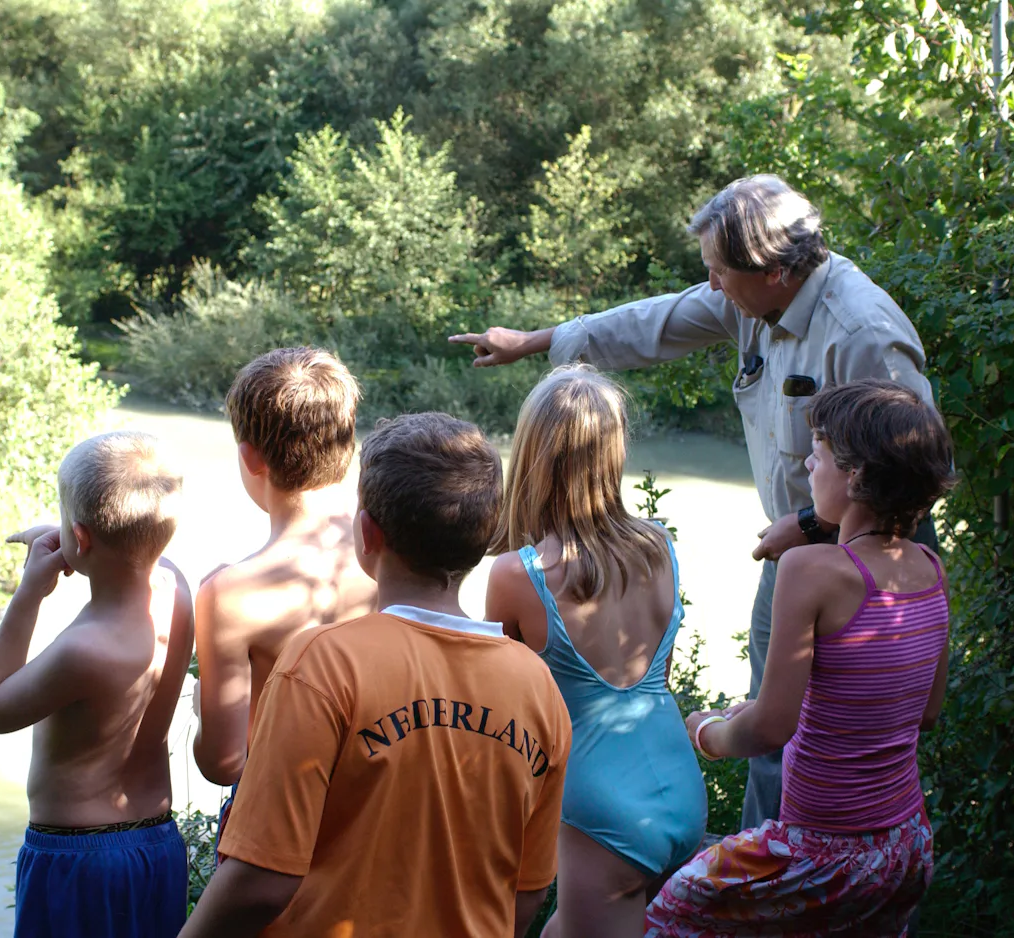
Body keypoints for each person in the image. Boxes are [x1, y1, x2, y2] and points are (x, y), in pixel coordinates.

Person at [450, 174, 935, 829]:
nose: (709, 286)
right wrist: (532, 343)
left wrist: (812, 521)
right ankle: (774, 881)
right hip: (795, 554)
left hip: (868, 560)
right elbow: (651, 323)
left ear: (770, 270)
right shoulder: (749, 299)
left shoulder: (864, 330)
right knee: (775, 743)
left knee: (854, 732)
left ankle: (825, 865)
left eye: (716, 271)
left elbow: (922, 463)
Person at [178, 412, 572, 938]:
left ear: (366, 533)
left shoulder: (321, 664)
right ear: (484, 540)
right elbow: (526, 892)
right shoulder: (537, 686)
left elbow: (262, 880)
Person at [644, 379, 955, 937]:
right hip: (906, 845)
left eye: (820, 452)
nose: (809, 463)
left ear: (856, 475)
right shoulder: (930, 569)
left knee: (671, 912)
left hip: (820, 852)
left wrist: (707, 732)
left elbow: (769, 730)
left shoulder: (809, 569)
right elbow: (924, 713)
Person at [485, 365, 709, 936]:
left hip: (599, 809)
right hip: (680, 788)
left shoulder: (519, 573)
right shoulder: (659, 545)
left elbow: (500, 707)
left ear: (533, 451)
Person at [0, 430, 192, 938]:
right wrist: (80, 538)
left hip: (79, 860)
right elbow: (129, 548)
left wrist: (31, 590)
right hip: (157, 847)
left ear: (81, 537)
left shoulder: (85, 649)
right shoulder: (176, 589)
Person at [190, 347, 376, 796]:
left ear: (251, 458)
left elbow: (223, 763)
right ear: (349, 447)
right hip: (375, 805)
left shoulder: (230, 594)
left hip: (277, 812)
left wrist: (201, 704)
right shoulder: (390, 551)